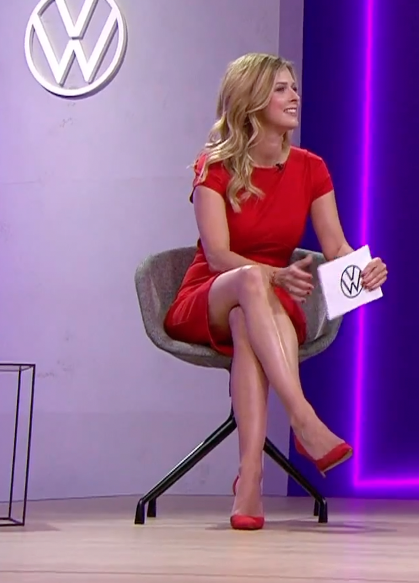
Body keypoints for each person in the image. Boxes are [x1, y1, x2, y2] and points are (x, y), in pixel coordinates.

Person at [163, 53, 388, 531]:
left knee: (248, 319)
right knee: (248, 283)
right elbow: (218, 255)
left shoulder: (311, 168)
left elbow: (335, 246)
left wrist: (364, 268)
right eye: (281, 89)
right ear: (251, 100)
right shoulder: (214, 166)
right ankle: (302, 417)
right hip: (210, 292)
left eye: (294, 88)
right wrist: (271, 274)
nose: (294, 97)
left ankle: (250, 479)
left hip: (266, 305)